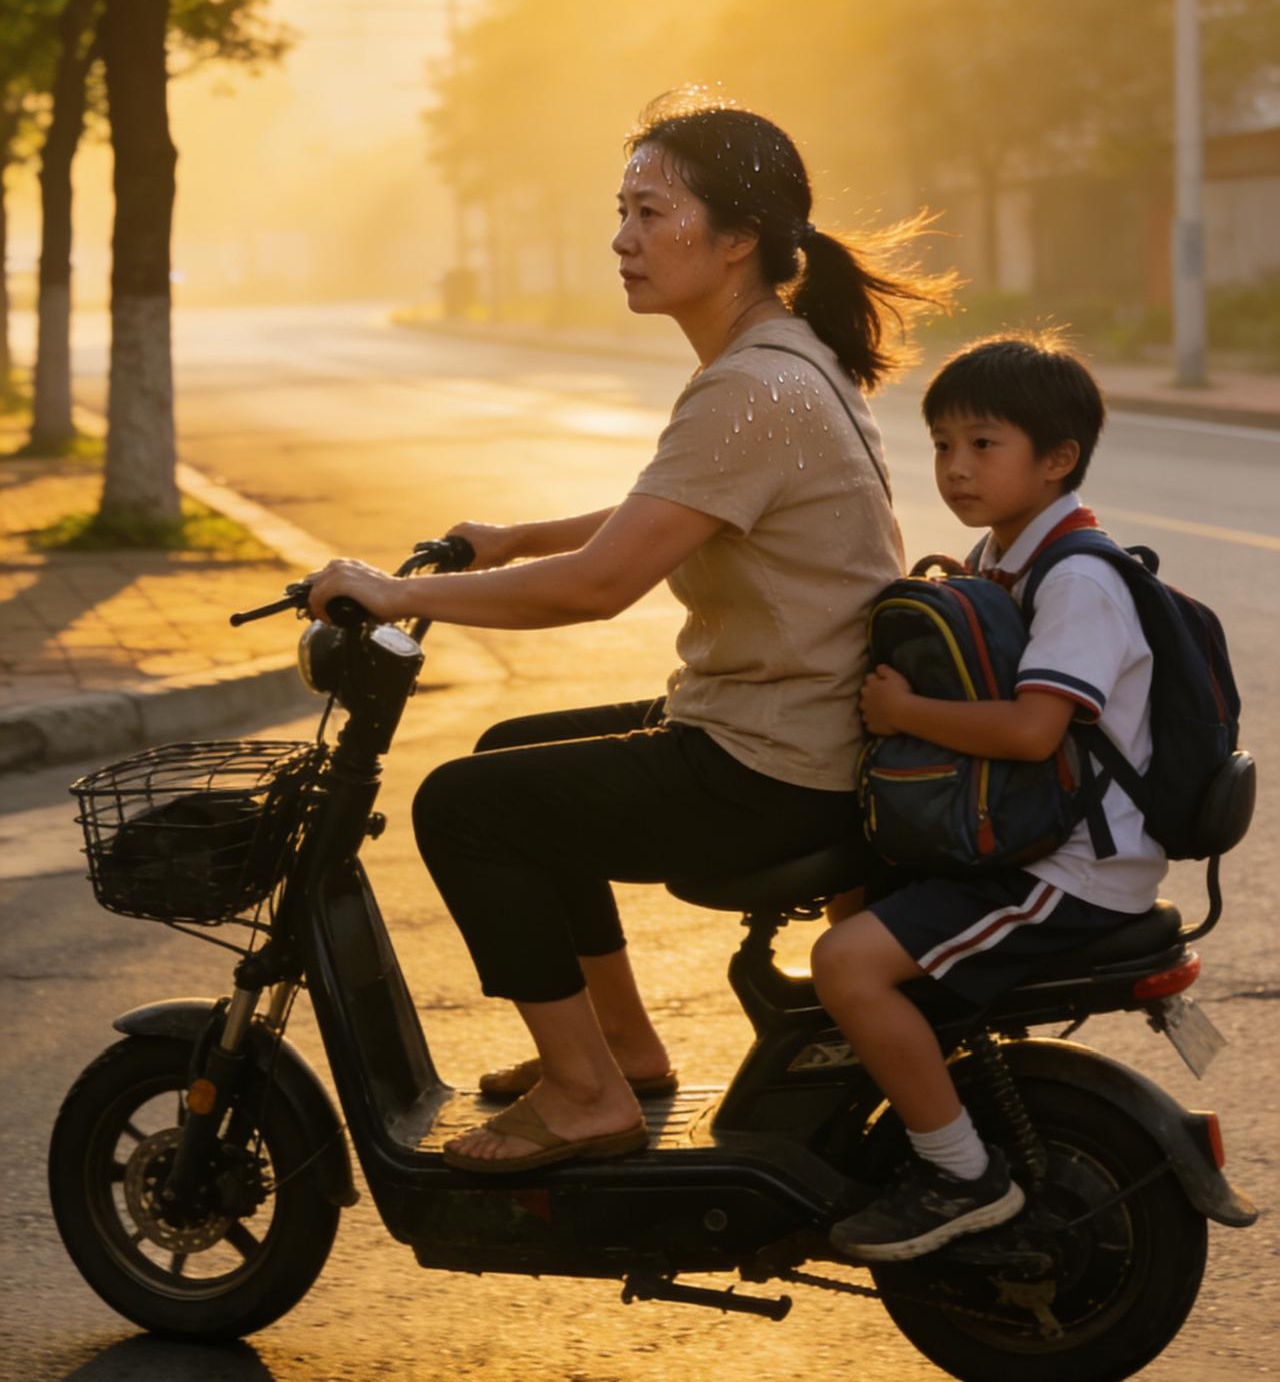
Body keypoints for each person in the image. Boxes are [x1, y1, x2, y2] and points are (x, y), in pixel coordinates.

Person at [305, 91, 947, 1173]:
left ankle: (584, 1095)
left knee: (464, 807)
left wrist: (395, 595)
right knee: (511, 751)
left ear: (737, 239)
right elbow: (679, 506)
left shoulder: (752, 387)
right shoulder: (777, 360)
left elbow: (601, 585)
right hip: (794, 728)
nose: (622, 239)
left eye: (651, 213)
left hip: (775, 764)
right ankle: (622, 1048)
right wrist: (515, 539)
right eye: (623, 211)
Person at [811, 335, 1168, 1261]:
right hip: (1030, 833)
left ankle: (961, 1173)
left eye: (982, 444)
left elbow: (1032, 731)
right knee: (847, 876)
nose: (956, 467)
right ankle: (896, 1092)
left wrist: (902, 712)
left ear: (1058, 459)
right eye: (941, 444)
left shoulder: (1078, 578)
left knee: (845, 963)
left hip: (1071, 869)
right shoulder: (1000, 553)